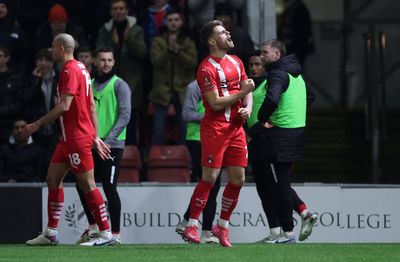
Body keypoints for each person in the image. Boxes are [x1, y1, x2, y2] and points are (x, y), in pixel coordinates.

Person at [24, 33, 116, 246]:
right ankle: (51, 233)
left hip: (76, 138)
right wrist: (95, 135)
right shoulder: (82, 68)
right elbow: (91, 105)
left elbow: (65, 106)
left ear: (61, 48)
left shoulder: (69, 70)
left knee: (88, 185)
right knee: (52, 179)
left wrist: (36, 124)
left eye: (53, 47)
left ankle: (106, 234)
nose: (51, 50)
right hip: (68, 139)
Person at [181, 20, 254, 248]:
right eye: (223, 32)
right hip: (215, 129)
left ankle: (221, 226)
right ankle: (191, 224)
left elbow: (248, 86)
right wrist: (243, 92)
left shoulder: (237, 61)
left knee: (238, 179)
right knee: (210, 178)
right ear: (213, 41)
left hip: (236, 129)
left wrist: (248, 107)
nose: (228, 33)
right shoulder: (206, 68)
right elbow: (214, 103)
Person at [246, 50, 317, 243]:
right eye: (251, 64)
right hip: (256, 140)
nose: (254, 68)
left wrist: (284, 116)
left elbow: (308, 96)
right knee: (264, 188)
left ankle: (293, 224)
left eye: (258, 64)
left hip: (266, 138)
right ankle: (275, 232)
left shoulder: (274, 80)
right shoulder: (247, 86)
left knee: (276, 185)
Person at [75, 47, 131, 244]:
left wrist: (105, 142)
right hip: (90, 144)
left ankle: (115, 234)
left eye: (109, 60)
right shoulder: (88, 84)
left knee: (109, 187)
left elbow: (125, 116)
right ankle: (93, 228)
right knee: (82, 185)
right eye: (102, 60)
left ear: (114, 62)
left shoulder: (120, 85)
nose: (105, 63)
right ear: (95, 62)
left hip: (112, 145)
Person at [175, 80, 221, 244]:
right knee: (210, 185)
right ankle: (204, 230)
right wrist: (212, 114)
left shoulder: (224, 84)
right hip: (198, 139)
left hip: (217, 139)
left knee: (211, 186)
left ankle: (190, 224)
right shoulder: (194, 86)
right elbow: (187, 114)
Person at [96, 0, 147, 145]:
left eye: (121, 8)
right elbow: (100, 53)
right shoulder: (105, 30)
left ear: (126, 10)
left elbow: (142, 53)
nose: (118, 11)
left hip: (131, 82)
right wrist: (114, 43)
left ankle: (130, 155)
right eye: (115, 9)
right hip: (107, 83)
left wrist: (128, 40)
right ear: (111, 12)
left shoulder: (136, 30)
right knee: (107, 119)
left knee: (129, 121)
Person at [148, 9, 197, 145]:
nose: (173, 23)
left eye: (176, 20)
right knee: (158, 129)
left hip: (183, 90)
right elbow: (156, 62)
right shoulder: (158, 41)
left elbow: (192, 63)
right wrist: (169, 49)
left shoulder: (187, 41)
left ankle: (186, 160)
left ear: (181, 22)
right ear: (165, 22)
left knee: (184, 128)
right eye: (170, 20)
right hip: (162, 90)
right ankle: (155, 159)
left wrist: (177, 51)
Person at [23, 48, 59, 169]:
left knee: (52, 161)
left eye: (47, 60)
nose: (43, 63)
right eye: (40, 60)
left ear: (52, 63)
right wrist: (35, 80)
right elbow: (26, 99)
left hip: (56, 128)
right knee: (38, 161)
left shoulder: (59, 78)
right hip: (37, 127)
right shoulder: (30, 78)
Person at [277, 0, 314, 65]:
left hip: (295, 47)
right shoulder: (292, 8)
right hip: (292, 47)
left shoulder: (298, 8)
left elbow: (302, 30)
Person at [0, 45, 23, 145]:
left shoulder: (15, 79)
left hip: (9, 123)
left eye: (0, 56)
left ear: (7, 58)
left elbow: (19, 102)